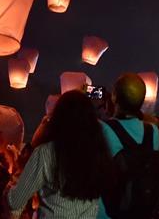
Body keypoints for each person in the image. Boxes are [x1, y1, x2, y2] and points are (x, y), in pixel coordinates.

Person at [7, 90, 114, 218]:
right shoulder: (98, 154)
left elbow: (15, 201)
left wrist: (8, 188)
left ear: (58, 119)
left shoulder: (46, 153)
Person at [99, 73, 159, 219]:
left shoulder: (103, 129)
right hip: (144, 212)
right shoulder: (153, 131)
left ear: (114, 97)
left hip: (112, 213)